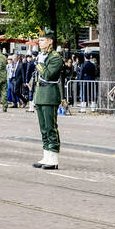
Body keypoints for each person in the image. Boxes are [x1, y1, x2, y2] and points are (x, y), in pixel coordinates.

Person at [30, 33, 65, 170]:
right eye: (39, 40)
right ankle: (46, 155)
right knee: (43, 128)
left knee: (51, 127)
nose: (40, 42)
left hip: (50, 94)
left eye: (43, 40)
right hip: (40, 94)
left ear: (50, 41)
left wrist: (40, 63)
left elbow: (48, 74)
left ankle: (54, 157)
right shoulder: (43, 55)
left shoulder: (55, 57)